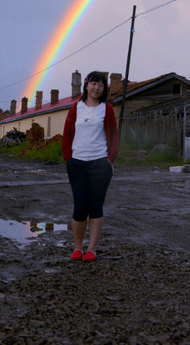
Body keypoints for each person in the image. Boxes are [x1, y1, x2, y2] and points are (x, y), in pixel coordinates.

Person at [62, 71, 119, 262]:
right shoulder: (74, 108)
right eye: (94, 83)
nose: (96, 88)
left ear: (104, 89)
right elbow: (67, 135)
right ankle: (78, 247)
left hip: (100, 164)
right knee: (80, 206)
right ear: (86, 85)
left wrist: (109, 160)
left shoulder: (107, 109)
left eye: (101, 85)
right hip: (77, 163)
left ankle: (91, 249)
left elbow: (113, 136)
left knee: (96, 206)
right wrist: (69, 159)